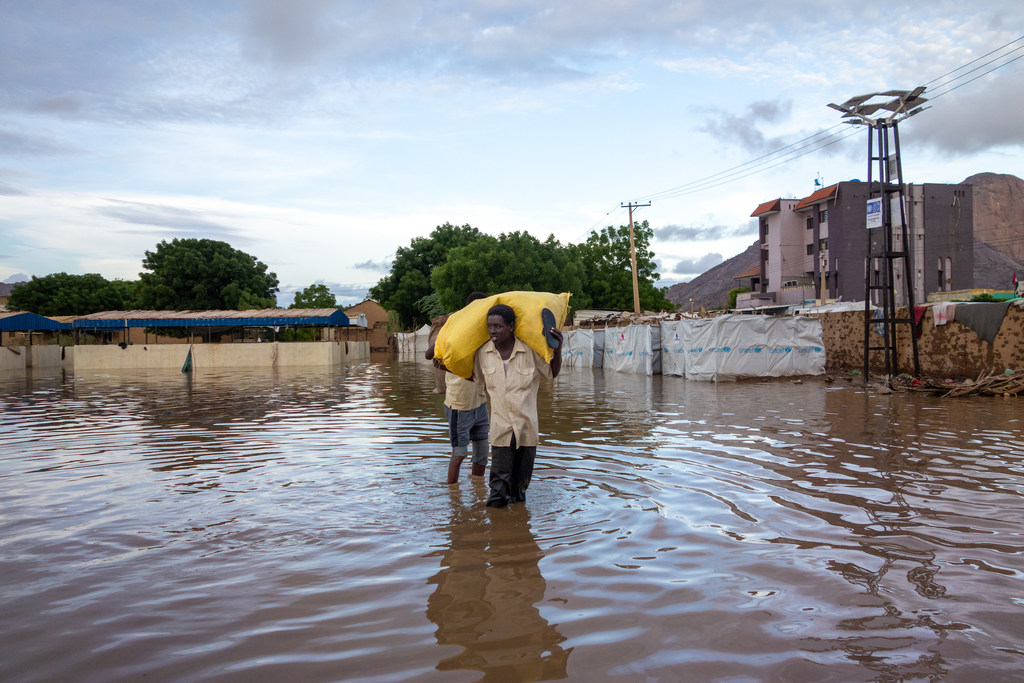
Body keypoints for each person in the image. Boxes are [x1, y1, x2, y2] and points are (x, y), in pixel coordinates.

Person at [473, 303, 562, 508]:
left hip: (527, 430)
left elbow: (551, 373)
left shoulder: (529, 351)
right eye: (490, 326)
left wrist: (558, 349)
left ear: (511, 327)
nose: (493, 331)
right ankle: (497, 533)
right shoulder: (483, 354)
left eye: (498, 326)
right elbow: (475, 378)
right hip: (501, 431)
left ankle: (518, 532)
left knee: (520, 490)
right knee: (498, 490)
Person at [426, 292, 490, 484]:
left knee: (482, 454)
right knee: (460, 453)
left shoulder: (484, 330)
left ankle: (477, 489)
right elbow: (432, 356)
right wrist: (464, 371)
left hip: (480, 400)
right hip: (459, 403)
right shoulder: (454, 326)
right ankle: (453, 497)